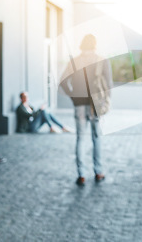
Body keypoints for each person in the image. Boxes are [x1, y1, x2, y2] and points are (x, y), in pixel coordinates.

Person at [60, 34, 113, 186]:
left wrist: (73, 96)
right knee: (96, 138)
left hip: (79, 104)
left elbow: (63, 81)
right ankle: (98, 172)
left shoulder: (74, 61)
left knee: (80, 139)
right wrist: (105, 102)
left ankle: (81, 174)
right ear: (95, 44)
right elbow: (108, 84)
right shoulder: (102, 60)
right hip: (95, 104)